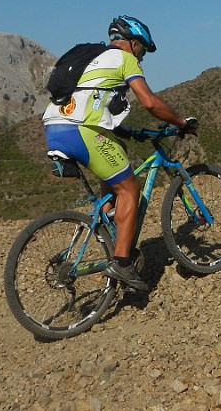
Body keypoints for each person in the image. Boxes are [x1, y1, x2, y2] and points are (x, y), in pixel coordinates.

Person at [42, 15, 196, 291]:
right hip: (82, 130)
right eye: (144, 50)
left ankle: (109, 220)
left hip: (55, 127)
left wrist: (132, 132)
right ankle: (122, 263)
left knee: (118, 152)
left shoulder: (93, 58)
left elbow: (96, 106)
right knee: (129, 189)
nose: (143, 57)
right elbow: (149, 102)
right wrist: (181, 122)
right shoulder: (125, 60)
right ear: (134, 43)